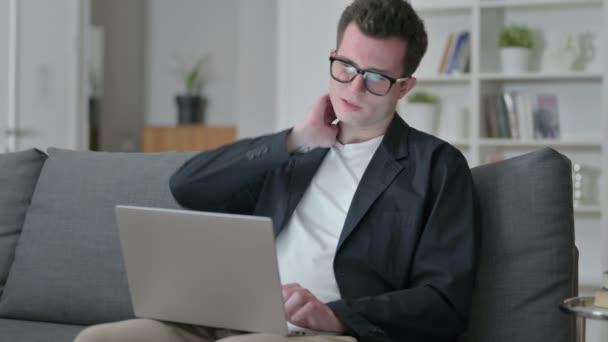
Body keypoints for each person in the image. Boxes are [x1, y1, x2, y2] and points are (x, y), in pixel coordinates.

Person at [74, 0, 478, 341]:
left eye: (375, 78)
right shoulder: (295, 151)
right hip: (225, 317)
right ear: (333, 57)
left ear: (404, 87)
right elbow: (188, 185)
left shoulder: (437, 167)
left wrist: (337, 316)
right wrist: (295, 139)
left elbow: (443, 300)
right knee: (99, 339)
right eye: (346, 67)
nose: (353, 89)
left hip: (327, 333)